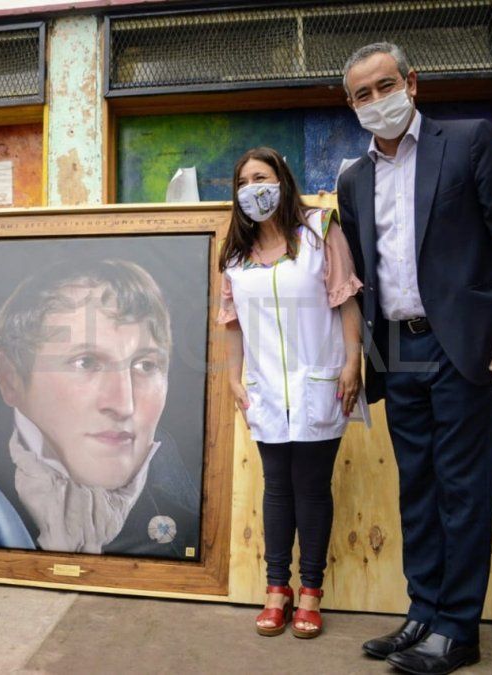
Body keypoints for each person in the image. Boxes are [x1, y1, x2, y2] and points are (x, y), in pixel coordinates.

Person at [337, 43, 492, 673]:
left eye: (385, 85)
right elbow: (360, 273)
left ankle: (459, 628)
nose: (376, 101)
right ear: (352, 105)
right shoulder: (354, 178)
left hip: (465, 345)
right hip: (397, 349)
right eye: (362, 95)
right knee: (418, 485)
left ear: (412, 83)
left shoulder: (470, 141)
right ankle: (423, 612)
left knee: (463, 485)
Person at [0, 258, 200, 560]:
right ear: (10, 379)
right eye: (86, 362)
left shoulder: (187, 524)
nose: (124, 404)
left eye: (146, 365)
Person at [218, 147, 363, 639]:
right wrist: (234, 379)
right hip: (263, 389)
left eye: (261, 177)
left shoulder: (320, 232)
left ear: (282, 180)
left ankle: (310, 593)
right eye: (242, 182)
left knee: (312, 488)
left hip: (318, 382)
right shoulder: (236, 255)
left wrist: (352, 362)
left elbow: (345, 302)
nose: (252, 189)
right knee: (277, 488)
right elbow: (232, 323)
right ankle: (275, 589)